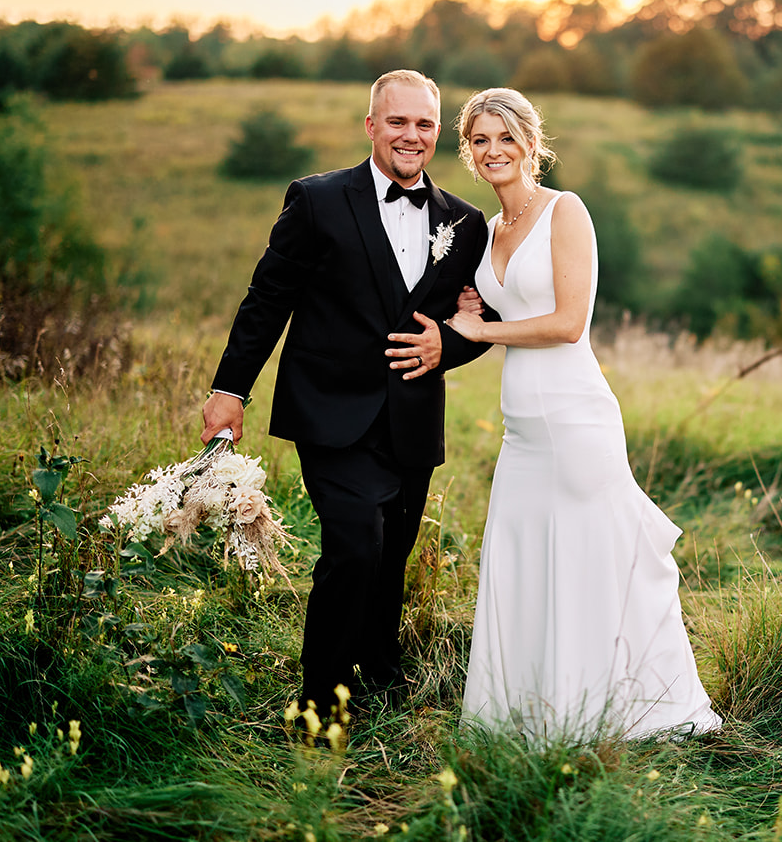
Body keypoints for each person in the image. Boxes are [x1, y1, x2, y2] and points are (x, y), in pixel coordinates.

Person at [201, 69, 492, 722]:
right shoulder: (316, 200)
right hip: (330, 411)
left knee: (392, 555)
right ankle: (320, 701)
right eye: (397, 121)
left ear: (436, 131)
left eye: (423, 123)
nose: (410, 135)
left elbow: (482, 320)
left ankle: (380, 666)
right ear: (371, 125)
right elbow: (267, 299)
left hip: (415, 415)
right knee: (356, 544)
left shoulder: (465, 223)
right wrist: (230, 389)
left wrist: (451, 342)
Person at [445, 87, 721, 740]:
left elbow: (569, 322)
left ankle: (622, 708)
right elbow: (488, 308)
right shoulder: (485, 234)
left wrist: (481, 332)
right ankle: (533, 713)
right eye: (481, 140)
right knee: (528, 564)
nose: (494, 151)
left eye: (506, 137)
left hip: (575, 418)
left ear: (531, 143)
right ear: (468, 151)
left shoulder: (565, 212)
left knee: (589, 560)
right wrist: (467, 315)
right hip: (522, 428)